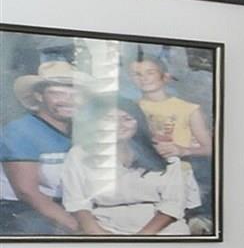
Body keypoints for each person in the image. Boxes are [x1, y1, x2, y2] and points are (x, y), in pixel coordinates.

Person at [2, 59, 100, 236]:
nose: (68, 100)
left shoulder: (82, 132)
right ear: (39, 96)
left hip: (73, 206)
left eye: (74, 94)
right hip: (23, 211)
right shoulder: (20, 131)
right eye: (58, 93)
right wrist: (79, 228)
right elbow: (27, 192)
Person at [85, 109, 199, 236]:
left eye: (127, 119)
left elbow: (173, 204)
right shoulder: (83, 157)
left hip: (162, 230)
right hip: (107, 228)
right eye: (110, 119)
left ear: (139, 123)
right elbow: (79, 203)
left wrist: (140, 238)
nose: (119, 125)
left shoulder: (165, 156)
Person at [131, 53, 210, 156]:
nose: (143, 78)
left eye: (150, 73)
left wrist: (183, 151)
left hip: (180, 168)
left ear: (166, 76)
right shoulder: (130, 108)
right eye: (137, 74)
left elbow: (209, 148)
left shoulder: (188, 109)